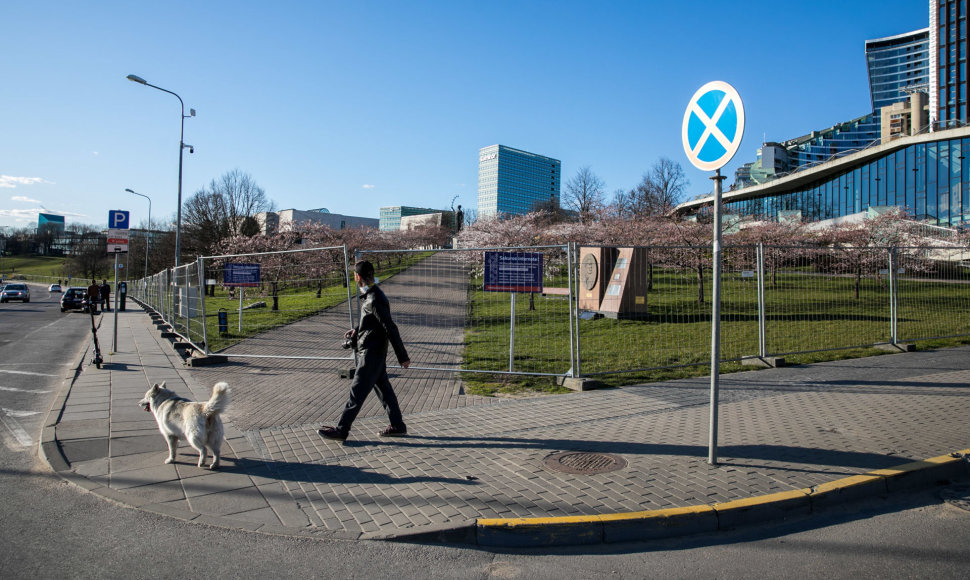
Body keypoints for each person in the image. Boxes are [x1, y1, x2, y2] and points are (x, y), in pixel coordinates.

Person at [318, 260, 411, 441]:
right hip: (373, 352)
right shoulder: (371, 295)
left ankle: (342, 430)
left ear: (357, 277)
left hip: (371, 354)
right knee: (385, 391)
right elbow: (373, 322)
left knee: (357, 392)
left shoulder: (374, 299)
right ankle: (398, 425)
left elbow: (390, 327)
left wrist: (403, 357)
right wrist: (357, 330)